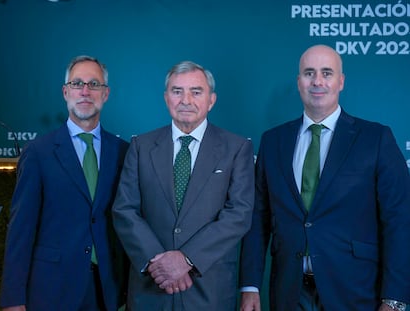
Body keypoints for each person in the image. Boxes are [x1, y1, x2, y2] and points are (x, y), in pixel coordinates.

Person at [239, 44, 410, 311]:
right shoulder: (273, 142)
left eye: (327, 73)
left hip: (356, 292)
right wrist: (250, 286)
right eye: (309, 73)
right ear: (299, 82)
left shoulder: (375, 139)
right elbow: (258, 218)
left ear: (340, 81)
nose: (317, 81)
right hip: (289, 292)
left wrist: (395, 299)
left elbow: (399, 221)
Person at [112, 60, 254, 310]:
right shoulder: (140, 146)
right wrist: (158, 263)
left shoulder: (237, 148)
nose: (186, 100)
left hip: (209, 289)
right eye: (177, 91)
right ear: (166, 97)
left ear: (211, 100)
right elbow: (125, 210)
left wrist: (187, 259)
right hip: (151, 288)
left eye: (196, 92)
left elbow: (239, 214)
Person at [0, 55, 129, 311]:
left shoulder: (123, 152)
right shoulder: (38, 152)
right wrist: (13, 299)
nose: (85, 91)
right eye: (77, 83)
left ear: (106, 93)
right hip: (52, 291)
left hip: (108, 290)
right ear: (65, 91)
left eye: (94, 84)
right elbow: (21, 230)